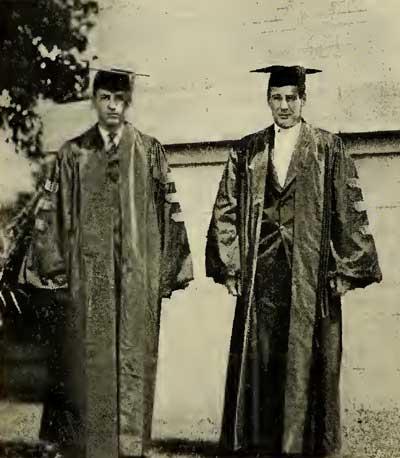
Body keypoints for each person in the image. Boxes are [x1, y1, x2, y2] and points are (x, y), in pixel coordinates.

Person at [205, 65, 382, 457]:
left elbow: (346, 209)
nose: (283, 106)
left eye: (291, 98)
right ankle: (260, 443)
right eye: (276, 98)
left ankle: (305, 445)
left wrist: (347, 269)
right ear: (267, 99)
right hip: (261, 269)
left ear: (304, 99)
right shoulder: (249, 149)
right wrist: (230, 267)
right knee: (263, 356)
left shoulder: (327, 147)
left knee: (309, 356)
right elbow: (227, 208)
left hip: (309, 269)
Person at [18, 66, 194, 458]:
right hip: (88, 279)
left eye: (120, 99)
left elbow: (169, 213)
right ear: (95, 101)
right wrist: (55, 269)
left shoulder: (149, 151)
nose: (113, 106)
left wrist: (166, 270)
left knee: (133, 359)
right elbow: (50, 215)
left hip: (136, 279)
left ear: (129, 101)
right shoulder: (72, 153)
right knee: (86, 362)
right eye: (105, 99)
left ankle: (129, 448)